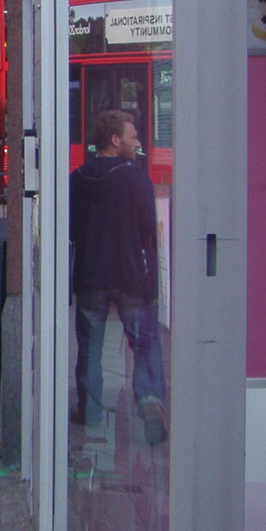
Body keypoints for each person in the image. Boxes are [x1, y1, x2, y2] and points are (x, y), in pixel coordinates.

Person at [70, 109, 168, 445]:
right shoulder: (136, 178)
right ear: (115, 140)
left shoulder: (78, 178)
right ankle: (151, 402)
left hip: (90, 274)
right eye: (134, 136)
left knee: (90, 348)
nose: (138, 142)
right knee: (144, 343)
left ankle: (91, 411)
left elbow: (72, 228)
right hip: (130, 276)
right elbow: (148, 231)